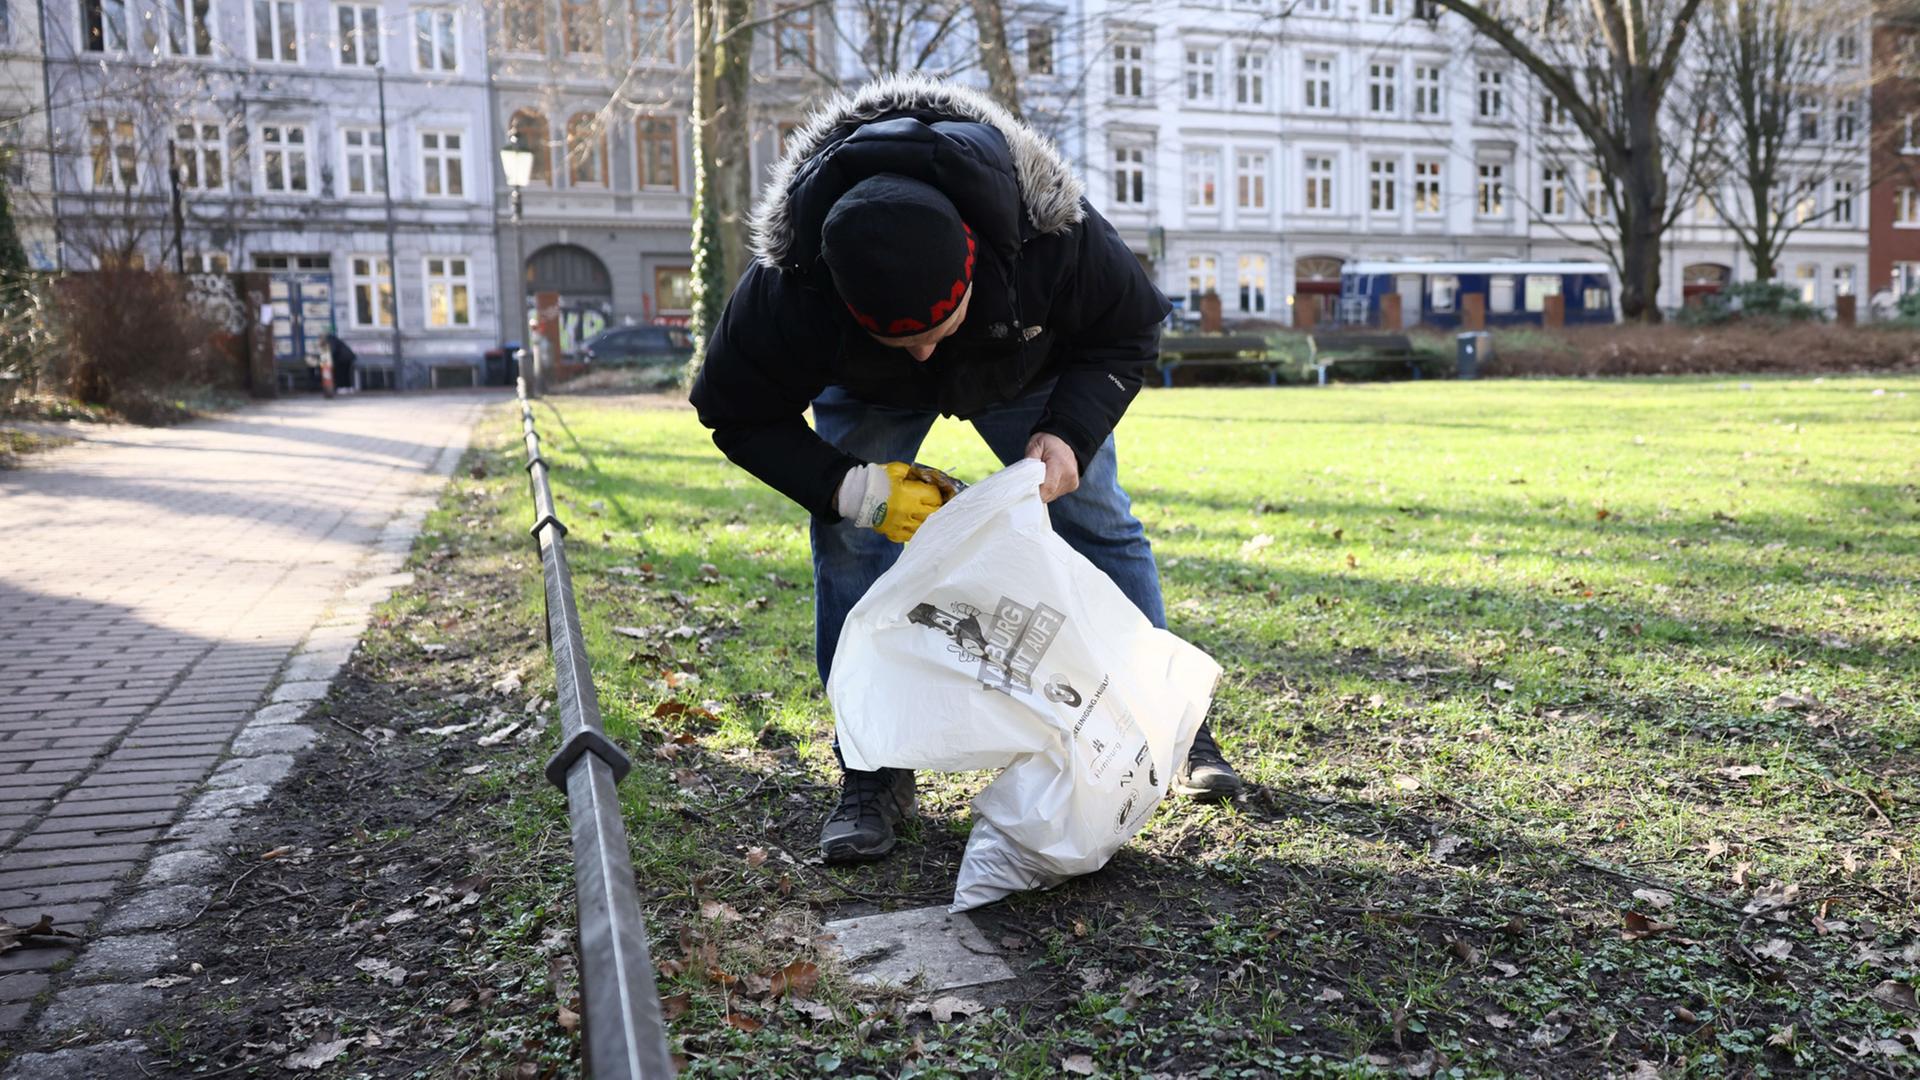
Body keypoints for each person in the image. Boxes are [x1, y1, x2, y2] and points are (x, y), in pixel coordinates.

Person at [690, 75, 1244, 866]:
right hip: (865, 390)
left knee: (1099, 522)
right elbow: (732, 409)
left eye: (934, 329)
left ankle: (1171, 724)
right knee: (850, 544)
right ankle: (872, 767)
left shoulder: (1051, 233)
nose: (924, 353)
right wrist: (855, 489)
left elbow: (1129, 332)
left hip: (1028, 366)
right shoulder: (792, 288)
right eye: (901, 337)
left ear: (976, 263)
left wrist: (1069, 436)